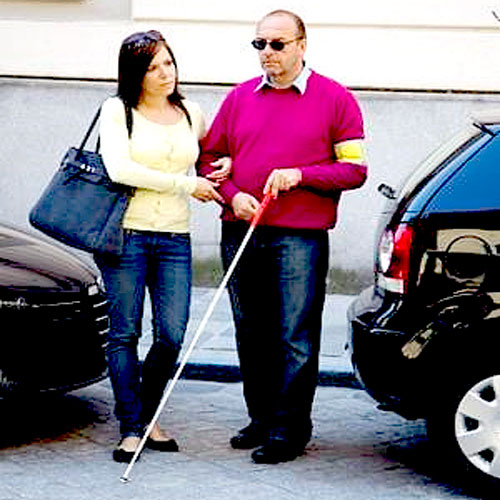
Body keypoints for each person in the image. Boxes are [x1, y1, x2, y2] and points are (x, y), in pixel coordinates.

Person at [197, 10, 367, 464]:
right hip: (241, 230)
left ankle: (290, 429)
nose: (267, 54)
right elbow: (210, 158)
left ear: (302, 45)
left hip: (300, 238)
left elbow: (355, 170)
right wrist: (231, 197)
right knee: (251, 331)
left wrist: (300, 175)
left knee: (294, 335)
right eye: (259, 45)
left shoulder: (336, 98)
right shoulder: (238, 98)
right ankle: (262, 418)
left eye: (277, 44)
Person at [96, 30, 229, 463]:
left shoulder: (191, 110)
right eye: (153, 67)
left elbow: (212, 153)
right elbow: (119, 168)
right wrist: (187, 183)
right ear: (135, 73)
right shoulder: (118, 110)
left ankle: (147, 413)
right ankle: (131, 425)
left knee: (171, 335)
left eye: (168, 63)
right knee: (125, 333)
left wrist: (223, 164)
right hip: (126, 236)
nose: (164, 74)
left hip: (175, 238)